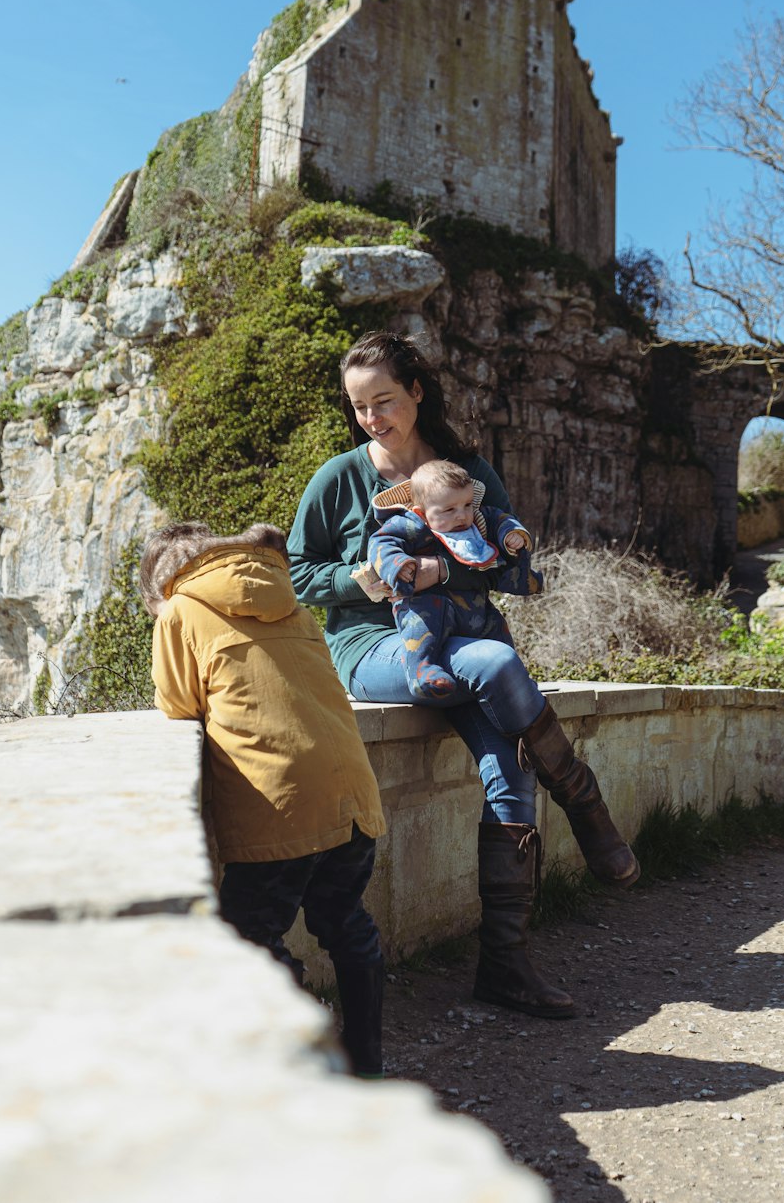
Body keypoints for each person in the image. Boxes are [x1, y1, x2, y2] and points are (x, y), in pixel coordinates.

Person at [287, 330, 639, 1023]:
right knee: (501, 663)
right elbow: (299, 574)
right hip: (374, 648)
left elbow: (511, 563)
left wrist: (456, 566)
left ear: (417, 392)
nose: (371, 418)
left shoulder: (468, 472)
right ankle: (584, 798)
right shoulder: (341, 478)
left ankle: (506, 965)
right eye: (358, 407)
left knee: (511, 771)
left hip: (466, 639)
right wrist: (366, 579)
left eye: (383, 401)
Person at [140, 519, 387, 1078]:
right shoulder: (291, 600)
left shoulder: (180, 610)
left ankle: (301, 1063)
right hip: (351, 792)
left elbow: (178, 705)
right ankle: (367, 1065)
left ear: (159, 583)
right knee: (345, 922)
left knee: (249, 937)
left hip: (280, 801)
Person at [365, 457, 542, 698]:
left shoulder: (477, 523)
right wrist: (397, 564)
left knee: (497, 629)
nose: (462, 516)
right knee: (421, 629)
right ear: (422, 513)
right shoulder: (411, 525)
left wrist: (511, 534)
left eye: (467, 504)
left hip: (474, 607)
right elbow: (381, 542)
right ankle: (422, 671)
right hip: (427, 605)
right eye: (449, 510)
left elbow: (498, 518)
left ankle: (516, 679)